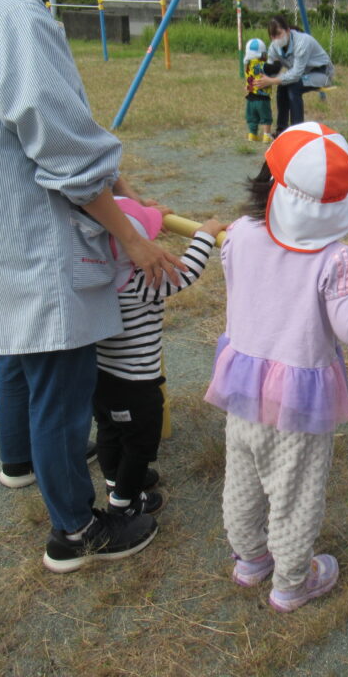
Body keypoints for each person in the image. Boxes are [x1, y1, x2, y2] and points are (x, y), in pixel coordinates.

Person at [0, 0, 187, 574]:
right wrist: (133, 238)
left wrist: (120, 185)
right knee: (61, 388)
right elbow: (65, 152)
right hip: (34, 243)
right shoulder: (15, 16)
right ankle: (75, 530)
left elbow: (61, 133)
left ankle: (20, 462)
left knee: (20, 359)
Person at [204, 122, 348, 612]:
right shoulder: (337, 259)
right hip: (298, 404)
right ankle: (291, 582)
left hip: (243, 386)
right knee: (294, 491)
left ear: (265, 182)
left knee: (243, 477)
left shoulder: (240, 234)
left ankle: (250, 559)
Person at [95, 198, 225, 517]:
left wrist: (151, 217)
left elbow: (122, 229)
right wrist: (205, 234)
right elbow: (186, 273)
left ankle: (116, 483)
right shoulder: (141, 281)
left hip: (99, 378)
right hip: (136, 385)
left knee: (110, 432)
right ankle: (124, 504)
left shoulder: (95, 278)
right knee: (139, 445)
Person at [252, 15, 333, 135]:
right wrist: (255, 81)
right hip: (302, 74)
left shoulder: (302, 42)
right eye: (273, 36)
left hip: (321, 72)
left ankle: (297, 131)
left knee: (294, 86)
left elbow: (295, 75)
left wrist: (271, 81)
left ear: (288, 30)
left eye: (278, 34)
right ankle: (281, 130)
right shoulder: (274, 47)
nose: (276, 39)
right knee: (282, 86)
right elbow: (271, 69)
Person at [242, 37, 274, 144]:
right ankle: (266, 135)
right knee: (266, 117)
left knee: (252, 117)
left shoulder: (248, 65)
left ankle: (252, 134)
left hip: (250, 97)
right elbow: (273, 72)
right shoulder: (264, 65)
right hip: (263, 98)